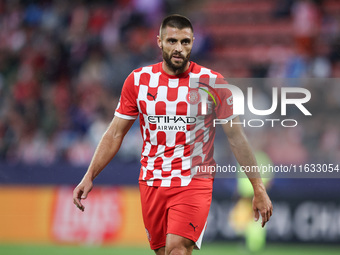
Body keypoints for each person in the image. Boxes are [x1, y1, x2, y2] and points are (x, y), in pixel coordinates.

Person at [73, 14, 273, 255]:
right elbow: (115, 133)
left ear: (193, 42)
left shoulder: (213, 83)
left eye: (185, 42)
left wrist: (258, 188)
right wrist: (89, 175)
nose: (179, 48)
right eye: (172, 41)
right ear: (159, 41)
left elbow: (236, 137)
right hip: (152, 181)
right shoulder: (138, 81)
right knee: (163, 252)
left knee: (176, 250)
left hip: (193, 182)